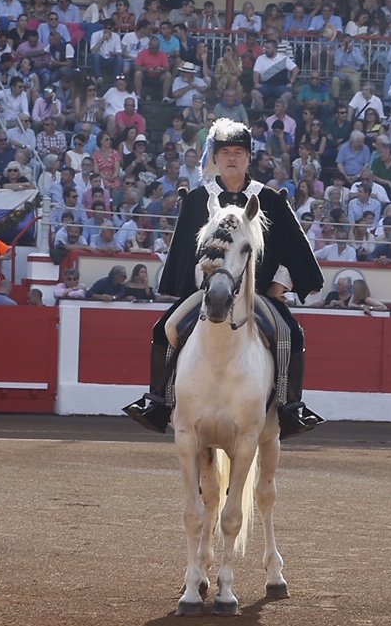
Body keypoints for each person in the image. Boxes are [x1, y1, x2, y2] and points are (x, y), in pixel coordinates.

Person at [123, 118, 325, 438]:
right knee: (163, 329)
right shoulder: (197, 200)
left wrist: (278, 286)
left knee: (292, 334)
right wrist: (207, 283)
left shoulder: (270, 200)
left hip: (256, 294)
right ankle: (158, 400)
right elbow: (186, 254)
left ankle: (290, 407)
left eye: (239, 152)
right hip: (208, 291)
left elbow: (293, 250)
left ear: (249, 158)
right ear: (215, 158)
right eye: (225, 152)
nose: (232, 158)